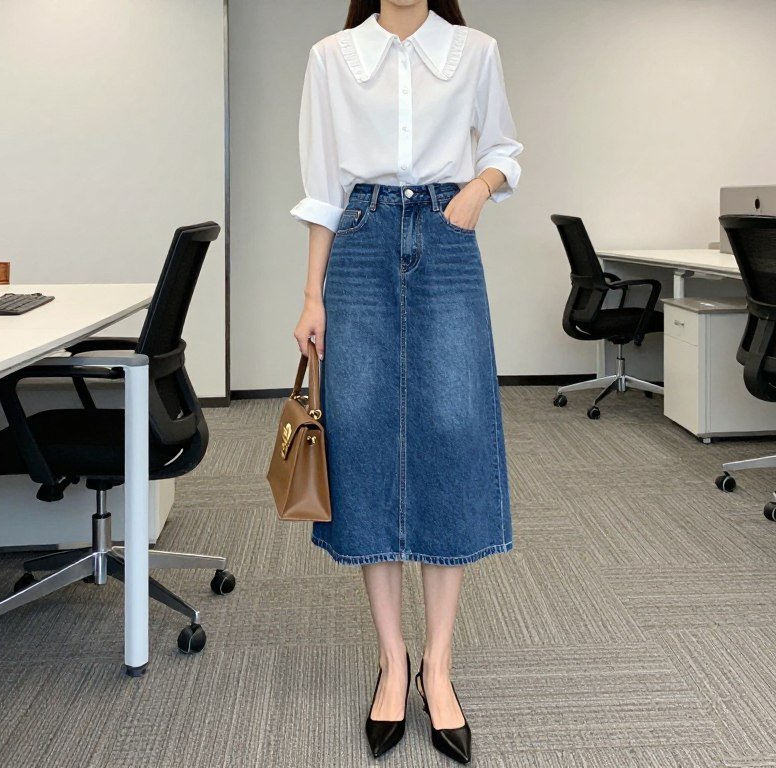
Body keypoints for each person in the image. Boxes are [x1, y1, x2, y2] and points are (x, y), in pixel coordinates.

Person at [289, 0, 522, 762]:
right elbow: (324, 187)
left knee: (453, 435)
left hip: (448, 241)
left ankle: (441, 666)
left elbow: (507, 147)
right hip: (358, 245)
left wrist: (478, 190)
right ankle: (393, 660)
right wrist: (311, 295)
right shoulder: (332, 57)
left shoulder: (475, 50)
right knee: (363, 439)